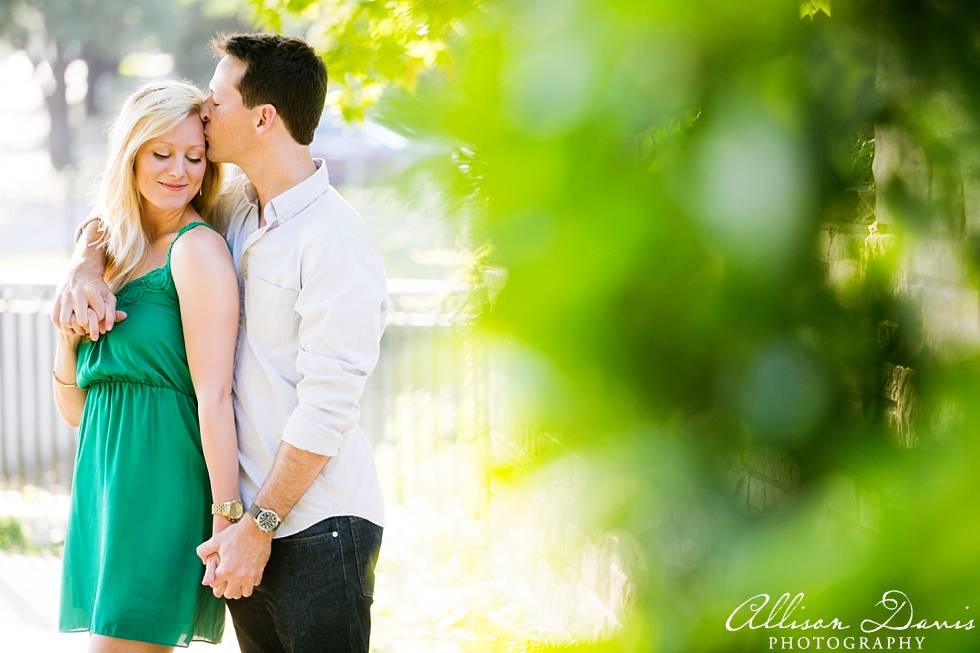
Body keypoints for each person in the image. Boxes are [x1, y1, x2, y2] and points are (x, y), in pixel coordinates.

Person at [53, 34, 389, 653]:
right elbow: (128, 214)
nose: (205, 113)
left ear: (261, 117)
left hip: (315, 524)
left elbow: (328, 408)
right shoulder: (237, 209)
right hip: (244, 521)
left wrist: (254, 524)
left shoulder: (334, 238)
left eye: (216, 100)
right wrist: (82, 264)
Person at [52, 80, 241, 652]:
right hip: (104, 489)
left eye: (193, 156)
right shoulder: (115, 254)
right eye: (161, 154)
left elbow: (214, 397)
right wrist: (65, 330)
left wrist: (228, 518)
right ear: (130, 154)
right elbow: (77, 412)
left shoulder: (197, 249)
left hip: (163, 488)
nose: (179, 171)